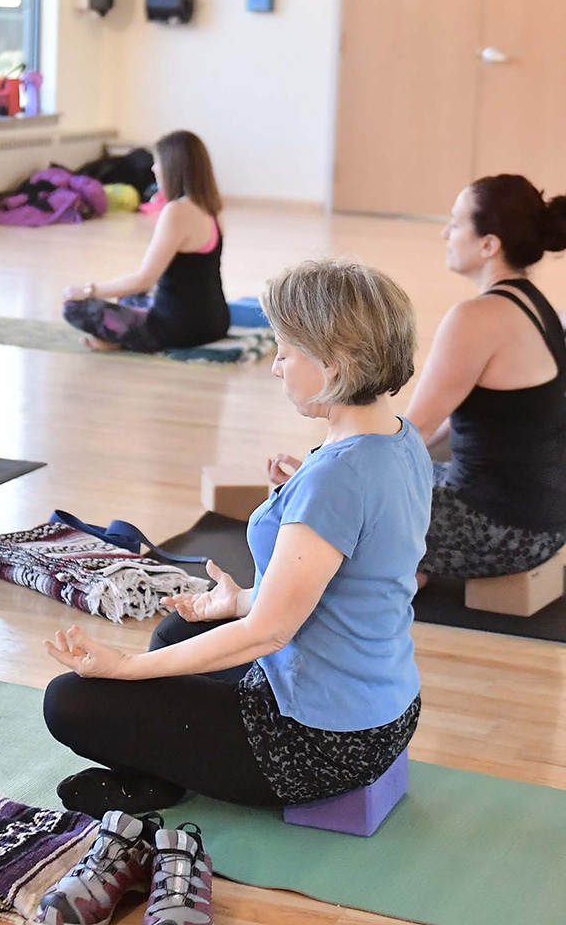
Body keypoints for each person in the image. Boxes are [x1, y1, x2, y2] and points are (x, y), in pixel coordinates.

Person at [43, 260, 430, 816]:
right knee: (179, 631)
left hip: (319, 743)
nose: (275, 367)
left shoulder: (335, 479)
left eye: (285, 352)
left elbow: (268, 634)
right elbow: (359, 581)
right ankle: (166, 769)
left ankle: (157, 776)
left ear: (334, 363)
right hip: (384, 710)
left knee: (71, 700)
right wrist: (240, 599)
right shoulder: (400, 438)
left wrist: (122, 667)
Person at [405, 175, 566, 580]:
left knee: (323, 506)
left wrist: (324, 474)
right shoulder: (536, 304)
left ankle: (398, 575)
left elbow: (410, 432)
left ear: (488, 244)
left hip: (499, 527)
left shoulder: (475, 319)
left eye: (456, 223)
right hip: (544, 521)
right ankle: (408, 572)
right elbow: (435, 429)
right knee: (390, 481)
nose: (445, 232)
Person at [62, 131, 229, 353]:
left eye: (157, 162)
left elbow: (145, 279)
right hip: (217, 322)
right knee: (129, 297)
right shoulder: (213, 207)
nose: (153, 168)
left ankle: (118, 341)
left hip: (178, 329)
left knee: (74, 307)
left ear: (173, 166)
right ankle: (117, 338)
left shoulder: (176, 211)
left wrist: (88, 290)